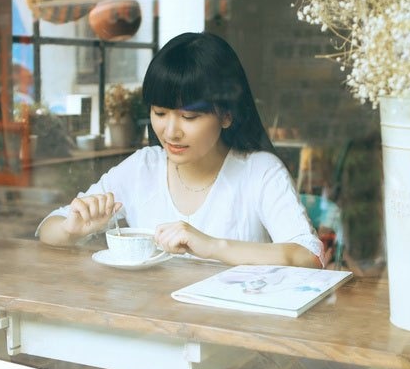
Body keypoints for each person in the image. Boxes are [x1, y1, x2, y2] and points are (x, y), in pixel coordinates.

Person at [37, 32, 323, 267]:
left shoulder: (259, 171)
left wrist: (212, 246)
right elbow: (48, 228)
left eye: (189, 117)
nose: (171, 131)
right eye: (160, 113)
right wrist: (72, 230)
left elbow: (309, 256)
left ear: (226, 115)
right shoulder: (142, 168)